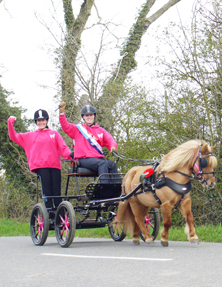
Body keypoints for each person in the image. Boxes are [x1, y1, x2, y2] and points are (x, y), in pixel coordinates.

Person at [8, 109, 73, 219]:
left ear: (47, 121)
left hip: (55, 166)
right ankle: (49, 215)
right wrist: (10, 122)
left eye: (43, 120)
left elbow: (63, 148)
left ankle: (60, 215)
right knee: (47, 191)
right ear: (36, 122)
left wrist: (71, 156)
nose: (41, 122)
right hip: (41, 167)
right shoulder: (30, 136)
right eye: (38, 121)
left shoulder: (54, 134)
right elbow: (13, 137)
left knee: (57, 192)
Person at [59, 102, 121, 183]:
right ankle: (104, 188)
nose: (89, 117)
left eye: (91, 115)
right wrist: (61, 113)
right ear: (83, 117)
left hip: (97, 159)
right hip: (83, 159)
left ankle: (117, 189)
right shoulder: (77, 129)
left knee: (112, 164)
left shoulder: (100, 130)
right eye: (86, 115)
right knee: (102, 164)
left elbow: (110, 140)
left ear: (94, 116)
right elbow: (65, 126)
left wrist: (113, 146)